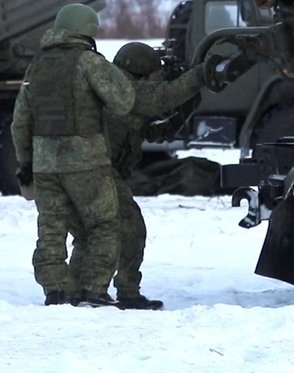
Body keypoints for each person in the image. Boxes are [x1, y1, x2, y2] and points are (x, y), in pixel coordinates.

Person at [10, 4, 208, 309]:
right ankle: (98, 290)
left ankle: (60, 290)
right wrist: (196, 78)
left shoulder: (37, 65)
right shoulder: (90, 63)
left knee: (53, 230)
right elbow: (131, 101)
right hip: (87, 163)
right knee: (108, 226)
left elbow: (20, 121)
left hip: (46, 164)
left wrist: (26, 163)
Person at [65, 41, 204, 310]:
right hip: (98, 170)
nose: (156, 79)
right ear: (142, 73)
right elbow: (164, 97)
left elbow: (158, 132)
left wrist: (191, 100)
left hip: (85, 170)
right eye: (154, 74)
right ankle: (125, 291)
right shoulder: (126, 90)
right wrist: (199, 76)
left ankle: (76, 291)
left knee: (88, 233)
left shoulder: (113, 90)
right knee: (131, 229)